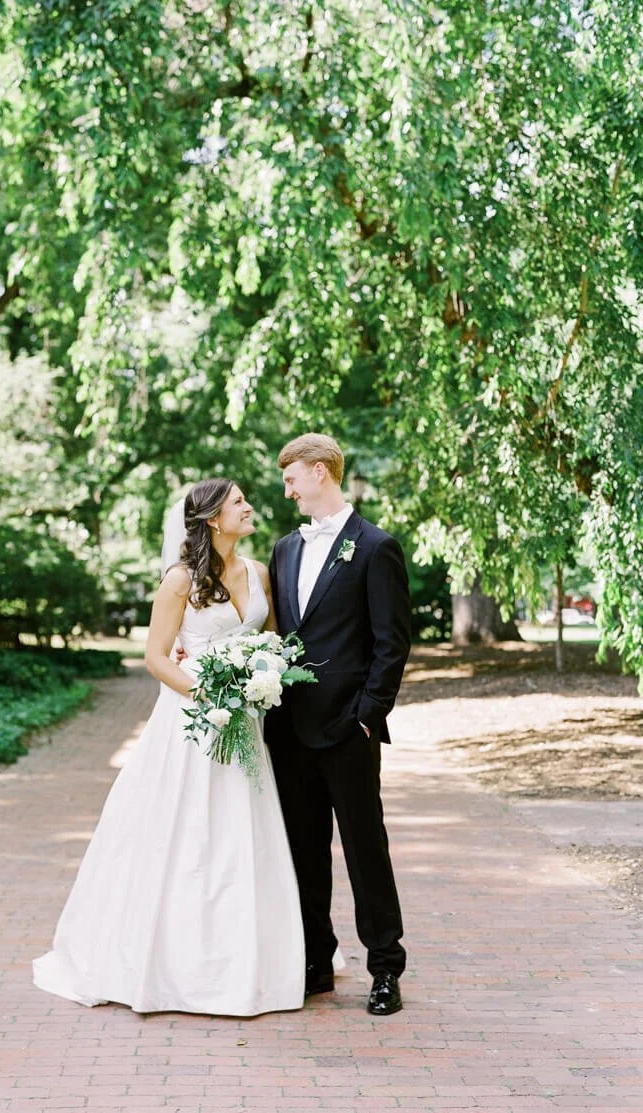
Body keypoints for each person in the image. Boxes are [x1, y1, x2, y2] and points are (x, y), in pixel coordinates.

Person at [33, 478, 304, 1016]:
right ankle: (167, 963)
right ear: (212, 519)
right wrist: (210, 695)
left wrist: (261, 676)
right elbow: (156, 658)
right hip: (193, 722)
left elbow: (272, 640)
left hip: (245, 722)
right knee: (189, 831)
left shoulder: (258, 573)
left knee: (241, 832)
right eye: (238, 502)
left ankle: (248, 963)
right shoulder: (180, 580)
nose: (249, 507)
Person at [266, 433, 412, 1016]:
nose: (287, 490)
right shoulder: (284, 549)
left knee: (364, 849)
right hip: (289, 731)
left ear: (320, 471)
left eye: (291, 478)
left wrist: (368, 716)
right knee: (304, 852)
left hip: (350, 731)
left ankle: (385, 968)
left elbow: (391, 643)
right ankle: (315, 962)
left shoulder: (376, 547)